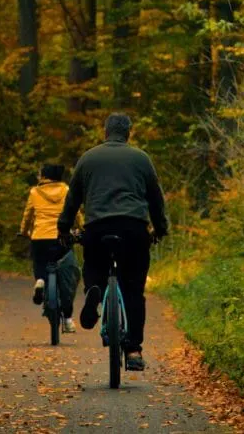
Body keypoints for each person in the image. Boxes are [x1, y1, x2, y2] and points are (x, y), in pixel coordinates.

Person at [56, 113, 168, 371]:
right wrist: (160, 229)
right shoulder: (141, 158)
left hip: (97, 227)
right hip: (134, 228)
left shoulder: (88, 158)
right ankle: (133, 351)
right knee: (133, 290)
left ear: (105, 132)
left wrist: (64, 228)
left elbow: (73, 198)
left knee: (94, 266)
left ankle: (94, 293)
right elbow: (155, 198)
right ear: (128, 132)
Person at [19, 163, 77, 333]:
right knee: (67, 274)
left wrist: (23, 231)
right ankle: (67, 319)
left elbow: (28, 214)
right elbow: (74, 211)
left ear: (44, 176)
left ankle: (41, 280)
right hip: (62, 236)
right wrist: (81, 227)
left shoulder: (35, 192)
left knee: (40, 262)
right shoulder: (66, 190)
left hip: (40, 236)